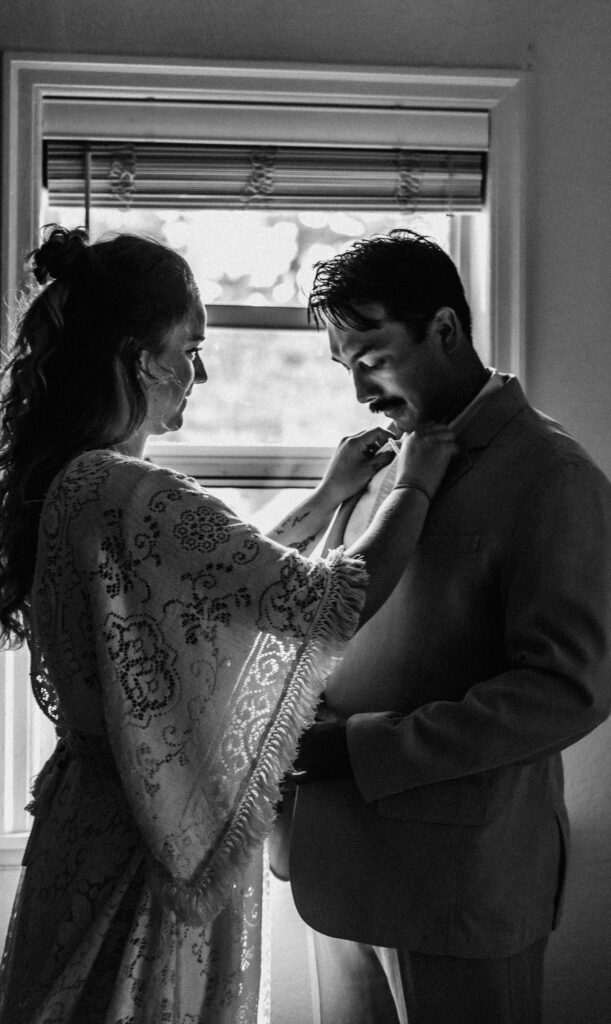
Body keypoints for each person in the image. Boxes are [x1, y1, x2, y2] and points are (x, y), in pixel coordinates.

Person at [0, 225, 456, 1024]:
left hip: (91, 820)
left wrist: (331, 494)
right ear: (139, 358)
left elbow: (217, 586)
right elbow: (323, 601)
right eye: (190, 348)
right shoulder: (132, 490)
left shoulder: (73, 482)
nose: (200, 372)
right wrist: (416, 482)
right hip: (153, 831)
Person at [284, 229, 611, 1024]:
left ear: (442, 329)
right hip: (334, 859)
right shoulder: (384, 463)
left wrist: (355, 748)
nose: (358, 388)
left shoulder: (551, 475)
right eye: (343, 366)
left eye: (371, 354)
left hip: (456, 879)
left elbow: (568, 688)